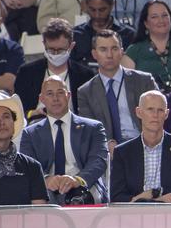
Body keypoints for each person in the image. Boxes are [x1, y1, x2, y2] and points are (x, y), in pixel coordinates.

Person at [19, 75, 109, 204]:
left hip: (84, 185)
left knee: (82, 198)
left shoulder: (93, 127)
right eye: (50, 94)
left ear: (68, 95)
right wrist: (46, 179)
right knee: (40, 199)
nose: (55, 98)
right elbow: (27, 166)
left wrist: (78, 180)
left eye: (60, 93)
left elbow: (99, 160)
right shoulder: (29, 133)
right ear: (42, 99)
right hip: (46, 188)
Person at [112, 89, 171, 203]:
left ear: (166, 114)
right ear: (138, 112)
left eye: (160, 110)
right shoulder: (122, 152)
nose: (155, 115)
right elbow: (116, 197)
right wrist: (140, 201)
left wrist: (157, 192)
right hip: (134, 216)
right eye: (150, 109)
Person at [78, 30, 159, 150]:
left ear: (122, 52)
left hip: (144, 143)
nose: (109, 55)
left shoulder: (144, 81)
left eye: (114, 49)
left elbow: (159, 115)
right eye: (103, 49)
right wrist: (106, 144)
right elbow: (89, 130)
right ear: (94, 54)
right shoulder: (85, 92)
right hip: (109, 150)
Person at [14, 18, 94, 114]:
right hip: (36, 123)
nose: (55, 54)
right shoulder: (26, 73)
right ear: (44, 44)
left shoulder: (85, 76)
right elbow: (17, 112)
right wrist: (33, 113)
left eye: (60, 50)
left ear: (71, 46)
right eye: (51, 49)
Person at [120, 0, 171, 94]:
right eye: (154, 17)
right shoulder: (133, 51)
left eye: (165, 15)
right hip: (147, 105)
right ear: (146, 24)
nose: (161, 20)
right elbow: (126, 88)